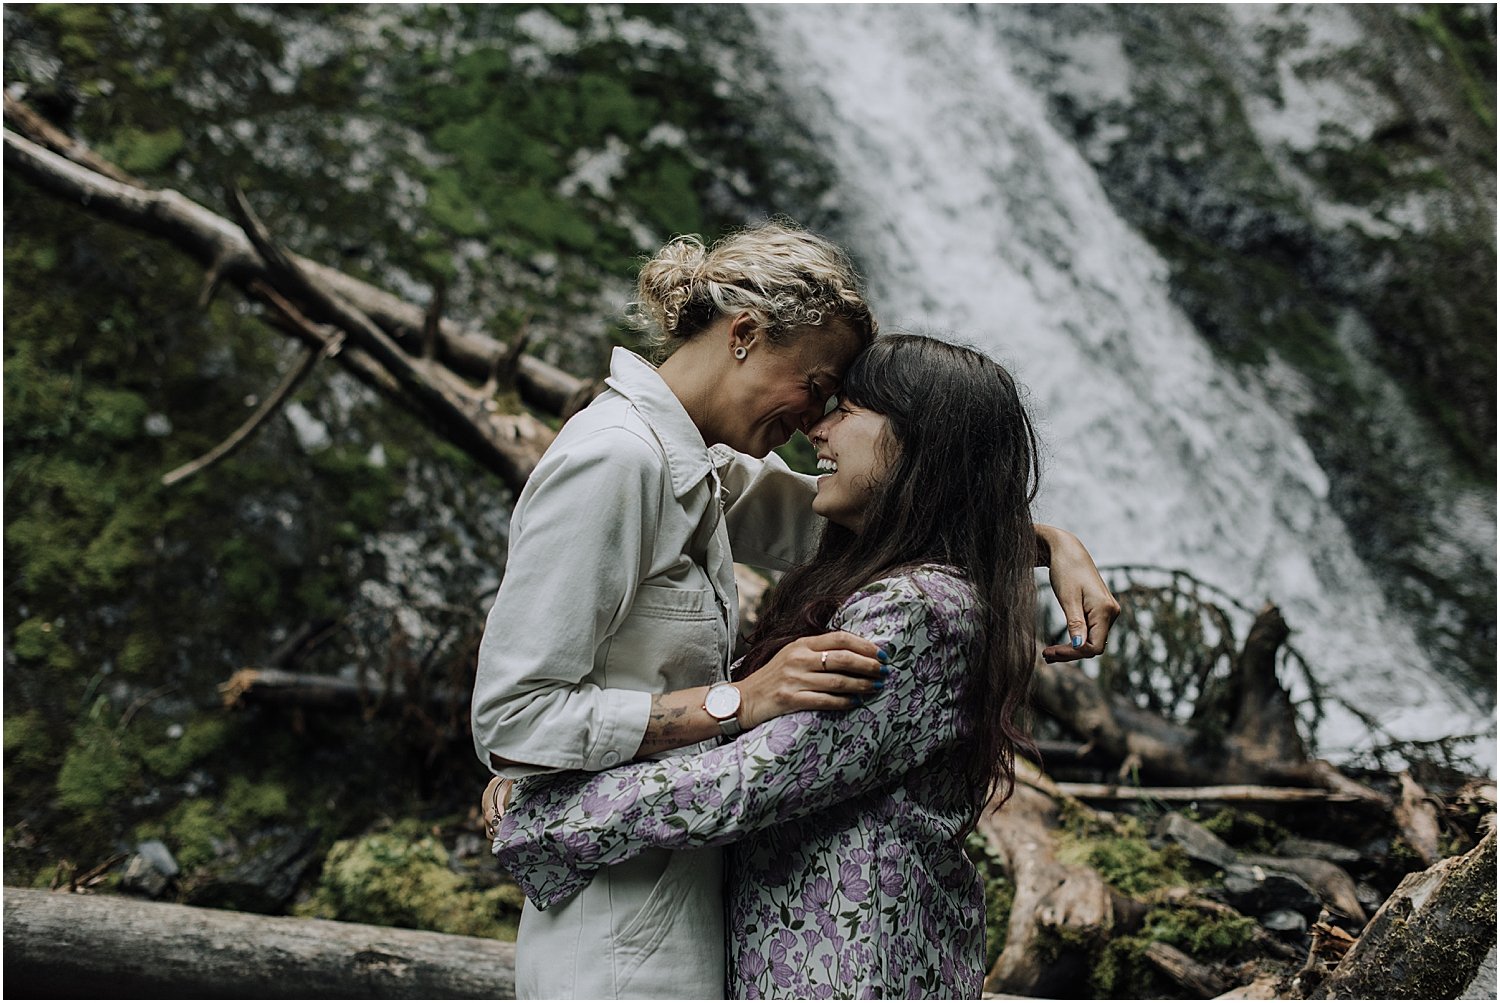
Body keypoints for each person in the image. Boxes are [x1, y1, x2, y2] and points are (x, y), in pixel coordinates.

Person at [471, 222, 1119, 998]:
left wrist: (1044, 540)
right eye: (816, 387)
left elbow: (885, 507)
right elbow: (512, 720)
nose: (815, 422)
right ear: (744, 333)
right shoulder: (616, 460)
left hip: (682, 886)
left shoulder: (699, 472)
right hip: (616, 918)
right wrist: (737, 699)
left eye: (836, 402)